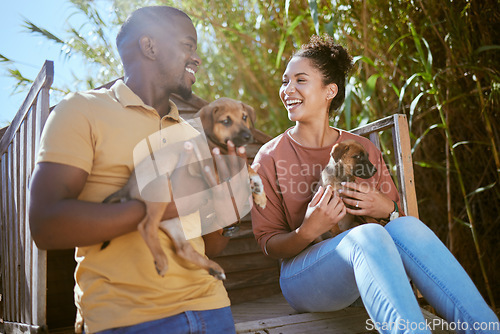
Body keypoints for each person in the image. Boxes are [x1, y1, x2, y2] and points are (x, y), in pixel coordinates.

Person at [251, 34, 499, 334]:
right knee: (368, 236)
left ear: (330, 90)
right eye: (285, 81)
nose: (288, 90)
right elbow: (268, 244)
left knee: (405, 226)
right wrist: (308, 230)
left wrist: (388, 207)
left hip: (374, 269)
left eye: (300, 80)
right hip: (305, 278)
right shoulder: (269, 157)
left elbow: (402, 231)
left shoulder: (360, 148)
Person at [29, 6, 241, 334]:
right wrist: (158, 207)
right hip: (127, 319)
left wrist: (226, 211)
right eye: (188, 45)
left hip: (211, 307)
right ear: (150, 46)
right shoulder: (81, 110)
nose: (196, 58)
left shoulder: (192, 136)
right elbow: (45, 225)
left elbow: (209, 246)